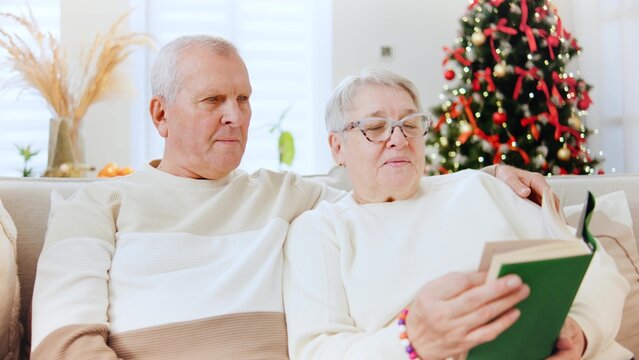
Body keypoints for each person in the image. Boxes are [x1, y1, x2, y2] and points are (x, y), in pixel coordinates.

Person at [31, 36, 553, 359]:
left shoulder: (286, 195)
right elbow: (62, 346)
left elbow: (381, 179)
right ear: (161, 115)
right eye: (213, 100)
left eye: (243, 99)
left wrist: (482, 176)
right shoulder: (97, 206)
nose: (235, 115)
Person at [282, 70, 632, 360]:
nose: (399, 139)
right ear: (337, 146)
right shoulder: (320, 230)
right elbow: (317, 350)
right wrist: (411, 340)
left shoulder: (483, 188)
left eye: (410, 124)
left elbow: (595, 268)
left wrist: (581, 332)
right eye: (375, 127)